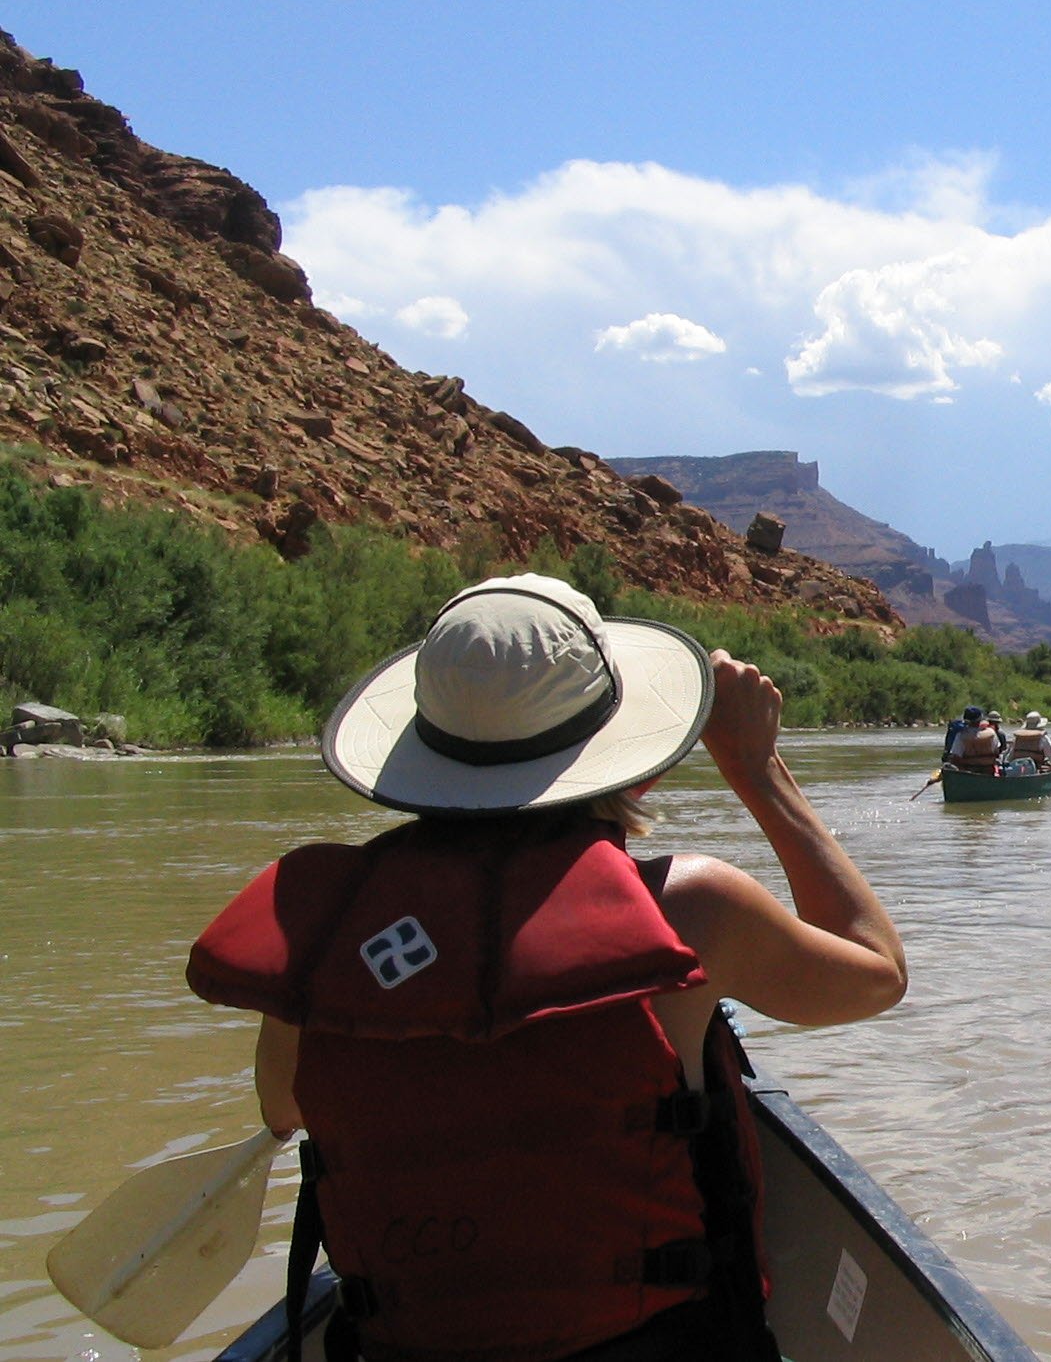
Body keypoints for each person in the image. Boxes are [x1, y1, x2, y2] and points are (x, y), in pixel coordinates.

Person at [184, 574, 907, 1362]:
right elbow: (877, 971)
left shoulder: (321, 937)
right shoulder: (692, 910)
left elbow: (283, 1107)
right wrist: (756, 768)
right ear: (628, 759)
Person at [946, 707, 1001, 774]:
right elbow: (997, 752)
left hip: (968, 772)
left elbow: (956, 757)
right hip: (988, 771)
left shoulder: (961, 735)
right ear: (980, 719)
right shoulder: (991, 733)